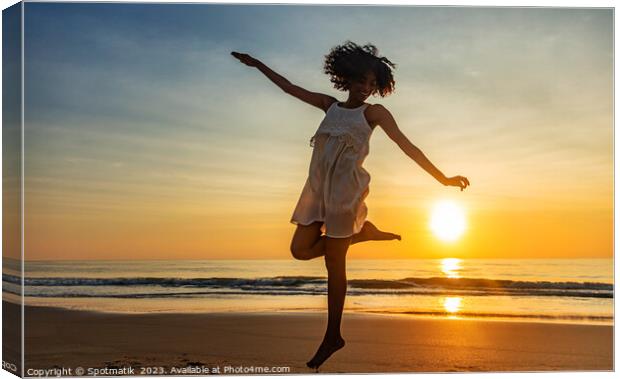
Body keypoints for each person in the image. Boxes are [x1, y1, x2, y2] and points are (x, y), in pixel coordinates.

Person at [231, 41, 469, 370]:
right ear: (348, 78)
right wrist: (257, 64)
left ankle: (333, 336)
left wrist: (442, 179)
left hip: (345, 194)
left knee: (334, 265)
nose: (366, 89)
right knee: (300, 250)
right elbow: (289, 88)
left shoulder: (373, 114)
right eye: (362, 82)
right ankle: (364, 235)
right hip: (317, 192)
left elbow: (407, 145)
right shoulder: (329, 106)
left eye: (373, 84)